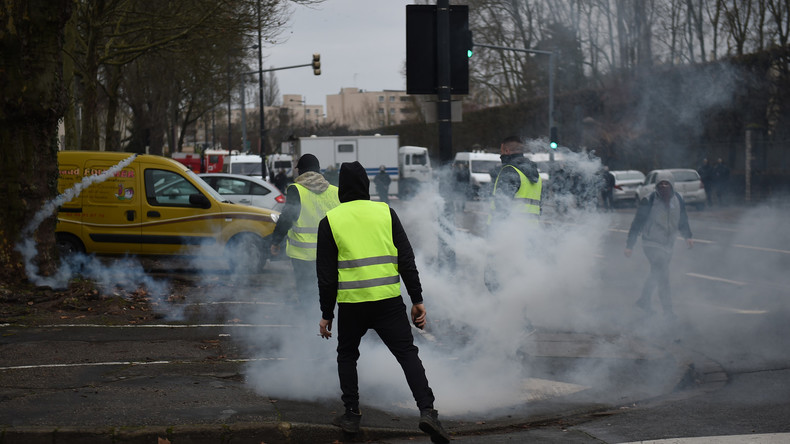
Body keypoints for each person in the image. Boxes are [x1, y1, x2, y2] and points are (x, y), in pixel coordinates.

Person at [316, 161, 450, 444]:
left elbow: (326, 276)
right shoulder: (386, 213)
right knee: (407, 354)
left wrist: (327, 314)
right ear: (366, 186)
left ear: (341, 188)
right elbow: (406, 259)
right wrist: (417, 299)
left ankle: (351, 414)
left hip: (352, 305)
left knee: (347, 355)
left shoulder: (330, 221)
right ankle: (428, 412)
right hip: (388, 302)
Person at [269, 154, 340, 305]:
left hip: (303, 256)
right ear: (318, 169)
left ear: (300, 171)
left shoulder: (296, 189)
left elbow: (287, 218)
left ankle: (308, 322)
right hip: (330, 255)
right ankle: (327, 320)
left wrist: (275, 241)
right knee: (328, 291)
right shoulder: (334, 191)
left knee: (306, 292)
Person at [625, 170, 693, 319]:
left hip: (668, 244)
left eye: (666, 184)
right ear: (656, 185)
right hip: (651, 243)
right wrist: (630, 245)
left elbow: (683, 219)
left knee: (656, 274)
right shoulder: (649, 200)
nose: (664, 186)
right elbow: (637, 222)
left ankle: (644, 301)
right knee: (663, 275)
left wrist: (688, 236)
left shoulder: (678, 199)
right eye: (661, 184)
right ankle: (668, 312)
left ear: (672, 185)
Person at [485, 135, 542, 293]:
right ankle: (519, 314)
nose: (500, 154)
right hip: (530, 235)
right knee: (519, 279)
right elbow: (539, 208)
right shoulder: (534, 175)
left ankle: (505, 314)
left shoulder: (509, 171)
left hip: (507, 238)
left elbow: (501, 209)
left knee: (495, 281)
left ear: (507, 150)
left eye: (501, 151)